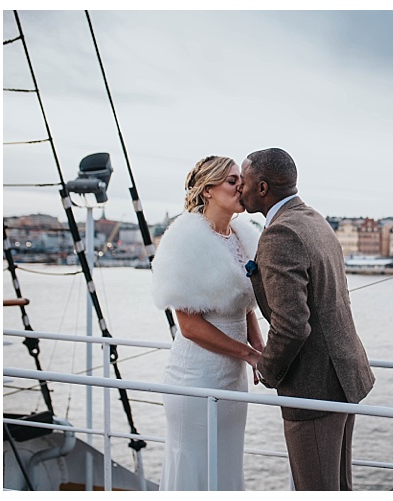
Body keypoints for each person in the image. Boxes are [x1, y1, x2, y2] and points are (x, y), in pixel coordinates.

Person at [238, 147, 375, 490]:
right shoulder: (313, 219)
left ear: (263, 188)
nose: (240, 187)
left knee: (315, 489)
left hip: (313, 386)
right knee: (338, 487)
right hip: (342, 376)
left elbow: (292, 324)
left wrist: (268, 369)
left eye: (245, 180)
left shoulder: (280, 234)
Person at [148, 156, 261, 490]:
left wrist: (262, 350)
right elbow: (190, 326)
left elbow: (245, 305)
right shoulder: (186, 240)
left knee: (226, 464)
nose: (241, 186)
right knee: (195, 465)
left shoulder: (243, 236)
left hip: (233, 378)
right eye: (231, 180)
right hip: (195, 378)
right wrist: (249, 354)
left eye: (241, 179)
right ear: (208, 189)